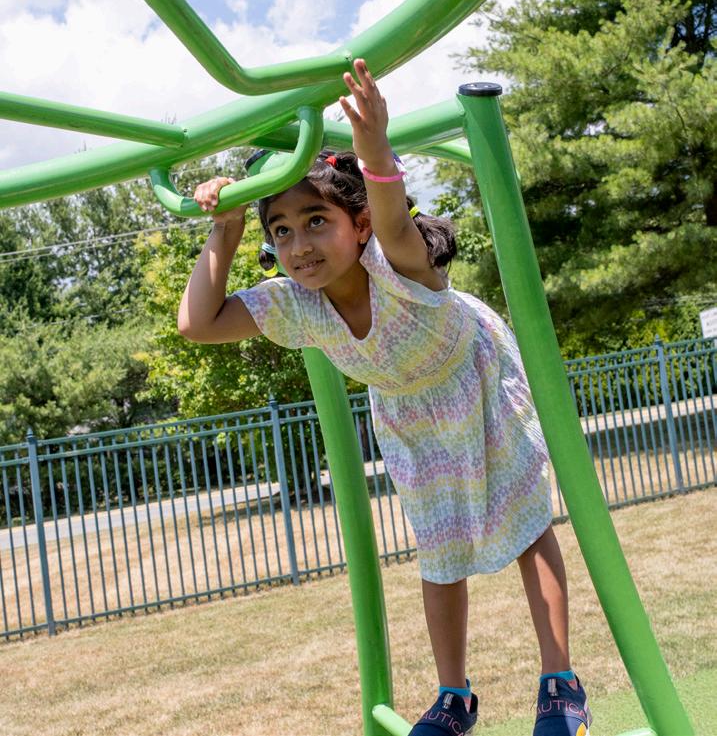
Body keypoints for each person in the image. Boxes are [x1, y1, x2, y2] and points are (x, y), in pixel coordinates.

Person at [179, 59, 592, 736]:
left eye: (316, 220)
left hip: (475, 378)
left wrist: (372, 142)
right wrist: (223, 230)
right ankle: (454, 697)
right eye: (280, 230)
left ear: (360, 224)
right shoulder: (297, 304)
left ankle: (559, 680)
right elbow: (198, 323)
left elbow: (394, 211)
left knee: (525, 520)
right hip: (408, 411)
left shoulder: (396, 260)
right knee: (438, 547)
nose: (299, 245)